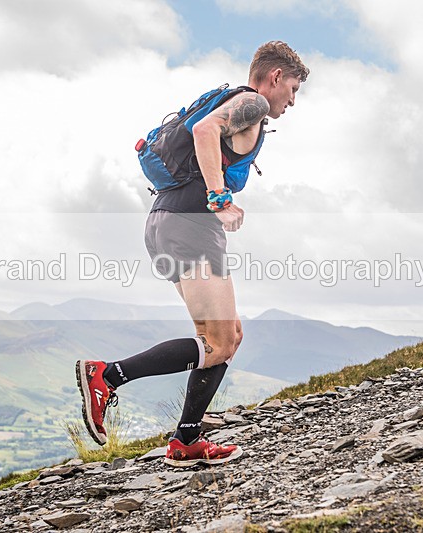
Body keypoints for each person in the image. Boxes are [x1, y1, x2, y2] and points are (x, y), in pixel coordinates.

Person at [77, 41, 309, 467]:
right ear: (276, 77)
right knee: (219, 342)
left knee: (227, 336)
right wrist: (221, 198)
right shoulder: (252, 102)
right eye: (293, 88)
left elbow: (204, 134)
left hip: (169, 222)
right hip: (191, 224)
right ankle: (106, 376)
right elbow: (204, 131)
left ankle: (186, 439)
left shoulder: (237, 101)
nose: (292, 100)